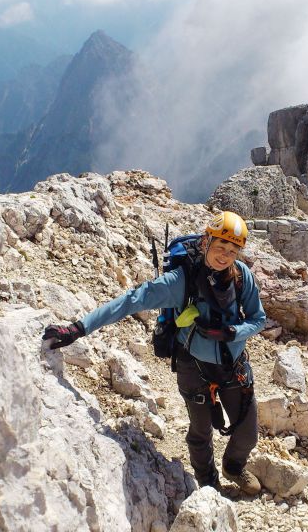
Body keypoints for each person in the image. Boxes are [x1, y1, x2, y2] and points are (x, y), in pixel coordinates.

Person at [43, 211, 266, 495]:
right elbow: (130, 301)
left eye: (232, 250)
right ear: (206, 241)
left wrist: (233, 333)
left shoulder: (240, 276)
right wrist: (77, 329)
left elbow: (258, 319)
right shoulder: (180, 281)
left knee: (248, 433)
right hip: (193, 367)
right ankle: (209, 484)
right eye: (220, 246)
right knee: (200, 433)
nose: (225, 256)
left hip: (233, 365)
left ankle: (233, 467)